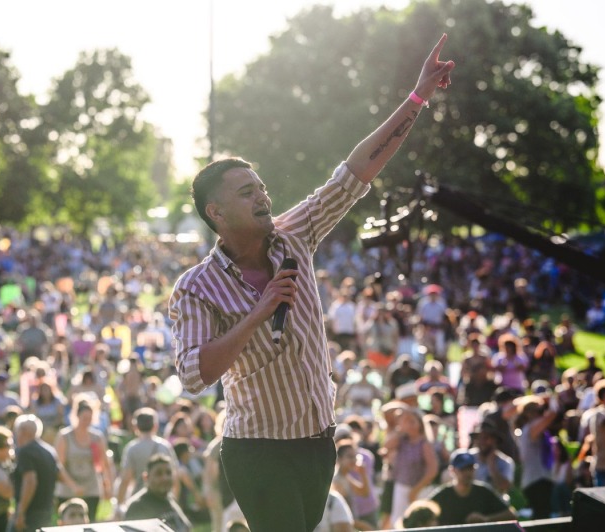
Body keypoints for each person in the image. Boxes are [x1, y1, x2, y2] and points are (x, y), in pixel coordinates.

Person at [168, 34, 454, 532]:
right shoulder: (195, 287)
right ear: (217, 213)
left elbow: (356, 170)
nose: (262, 195)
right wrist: (259, 312)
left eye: (260, 186)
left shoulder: (295, 234)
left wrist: (417, 97)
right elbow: (194, 375)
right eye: (246, 191)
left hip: (318, 440)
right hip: (257, 449)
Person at [12, 414, 81, 532]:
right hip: (46, 510)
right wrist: (75, 487)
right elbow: (59, 473)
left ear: (23, 432)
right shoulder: (49, 451)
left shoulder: (25, 451)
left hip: (30, 512)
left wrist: (21, 512)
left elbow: (30, 481)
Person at [54, 395, 113, 522]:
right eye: (84, 418)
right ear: (77, 416)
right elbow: (59, 465)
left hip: (91, 489)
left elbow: (103, 465)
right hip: (67, 491)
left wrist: (108, 486)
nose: (87, 421)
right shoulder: (65, 436)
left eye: (90, 418)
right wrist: (73, 486)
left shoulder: (97, 437)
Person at [428, 449, 516, 526]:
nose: (467, 473)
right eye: (462, 469)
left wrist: (486, 519)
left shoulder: (483, 491)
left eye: (470, 468)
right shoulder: (443, 496)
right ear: (452, 471)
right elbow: (421, 514)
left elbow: (511, 515)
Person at [116, 407, 179, 505]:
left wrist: (119, 505)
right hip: (163, 498)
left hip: (140, 500)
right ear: (155, 426)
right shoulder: (165, 446)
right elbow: (174, 476)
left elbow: (125, 479)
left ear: (135, 427)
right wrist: (174, 500)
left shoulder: (132, 448)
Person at [122, 453, 192, 532]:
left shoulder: (169, 498)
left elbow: (186, 527)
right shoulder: (138, 505)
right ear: (146, 477)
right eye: (159, 474)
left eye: (168, 473)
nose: (165, 478)